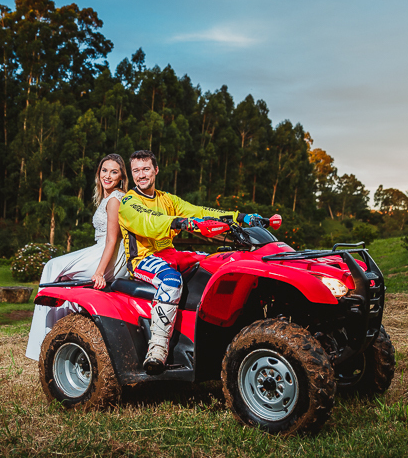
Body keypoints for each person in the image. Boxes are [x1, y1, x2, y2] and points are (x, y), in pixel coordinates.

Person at [118, 149, 265, 373]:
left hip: (170, 253)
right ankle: (157, 349)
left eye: (146, 169)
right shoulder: (129, 202)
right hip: (143, 259)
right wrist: (179, 222)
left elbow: (199, 211)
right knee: (171, 281)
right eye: (136, 171)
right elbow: (148, 221)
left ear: (156, 170)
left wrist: (241, 217)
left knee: (219, 262)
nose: (141, 175)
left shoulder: (167, 199)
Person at [24, 154, 129, 361]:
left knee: (52, 268)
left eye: (114, 172)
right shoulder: (109, 197)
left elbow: (112, 240)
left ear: (121, 177)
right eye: (104, 170)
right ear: (99, 173)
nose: (107, 176)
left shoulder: (115, 199)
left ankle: (43, 344)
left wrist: (99, 272)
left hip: (111, 253)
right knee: (59, 277)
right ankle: (60, 335)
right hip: (103, 249)